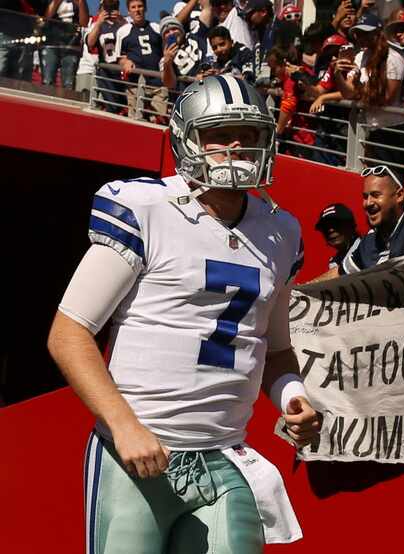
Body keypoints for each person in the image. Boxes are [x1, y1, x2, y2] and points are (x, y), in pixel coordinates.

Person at [46, 75, 320, 553]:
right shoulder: (146, 208)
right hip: (136, 453)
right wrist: (124, 425)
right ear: (187, 138)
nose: (235, 146)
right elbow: (68, 333)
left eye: (248, 135)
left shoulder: (280, 230)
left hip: (224, 454)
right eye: (218, 133)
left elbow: (275, 349)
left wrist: (293, 396)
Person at [334, 12, 404, 168]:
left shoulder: (392, 58)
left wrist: (360, 91)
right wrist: (337, 74)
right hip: (370, 127)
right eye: (358, 33)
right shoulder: (360, 57)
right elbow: (349, 93)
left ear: (378, 33)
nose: (361, 37)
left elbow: (387, 98)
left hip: (392, 129)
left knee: (389, 178)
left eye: (366, 33)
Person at [114, 0, 166, 120]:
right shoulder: (123, 31)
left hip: (157, 85)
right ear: (128, 11)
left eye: (140, 6)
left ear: (145, 8)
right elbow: (120, 58)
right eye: (133, 7)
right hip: (134, 84)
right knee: (135, 121)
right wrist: (126, 62)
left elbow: (165, 54)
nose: (137, 9)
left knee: (160, 121)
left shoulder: (157, 28)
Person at [86, 0, 126, 112]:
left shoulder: (125, 23)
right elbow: (90, 42)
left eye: (113, 7)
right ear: (101, 8)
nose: (109, 10)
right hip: (106, 72)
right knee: (112, 107)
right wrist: (99, 22)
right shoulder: (96, 25)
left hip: (123, 73)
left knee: (124, 107)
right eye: (107, 7)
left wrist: (122, 21)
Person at [42, 0, 90, 89]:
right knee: (47, 81)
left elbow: (84, 23)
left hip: (71, 45)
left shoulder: (79, 2)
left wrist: (80, 2)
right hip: (52, 43)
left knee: (69, 83)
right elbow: (46, 18)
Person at [159, 15, 209, 92]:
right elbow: (170, 84)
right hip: (188, 95)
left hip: (208, 86)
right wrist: (168, 63)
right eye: (167, 32)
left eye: (174, 28)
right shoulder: (163, 61)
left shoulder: (196, 35)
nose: (171, 33)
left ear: (181, 29)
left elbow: (207, 9)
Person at [313, 203, 361, 279]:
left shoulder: (364, 250)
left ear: (351, 225)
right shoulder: (333, 262)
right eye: (325, 227)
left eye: (336, 224)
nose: (331, 230)